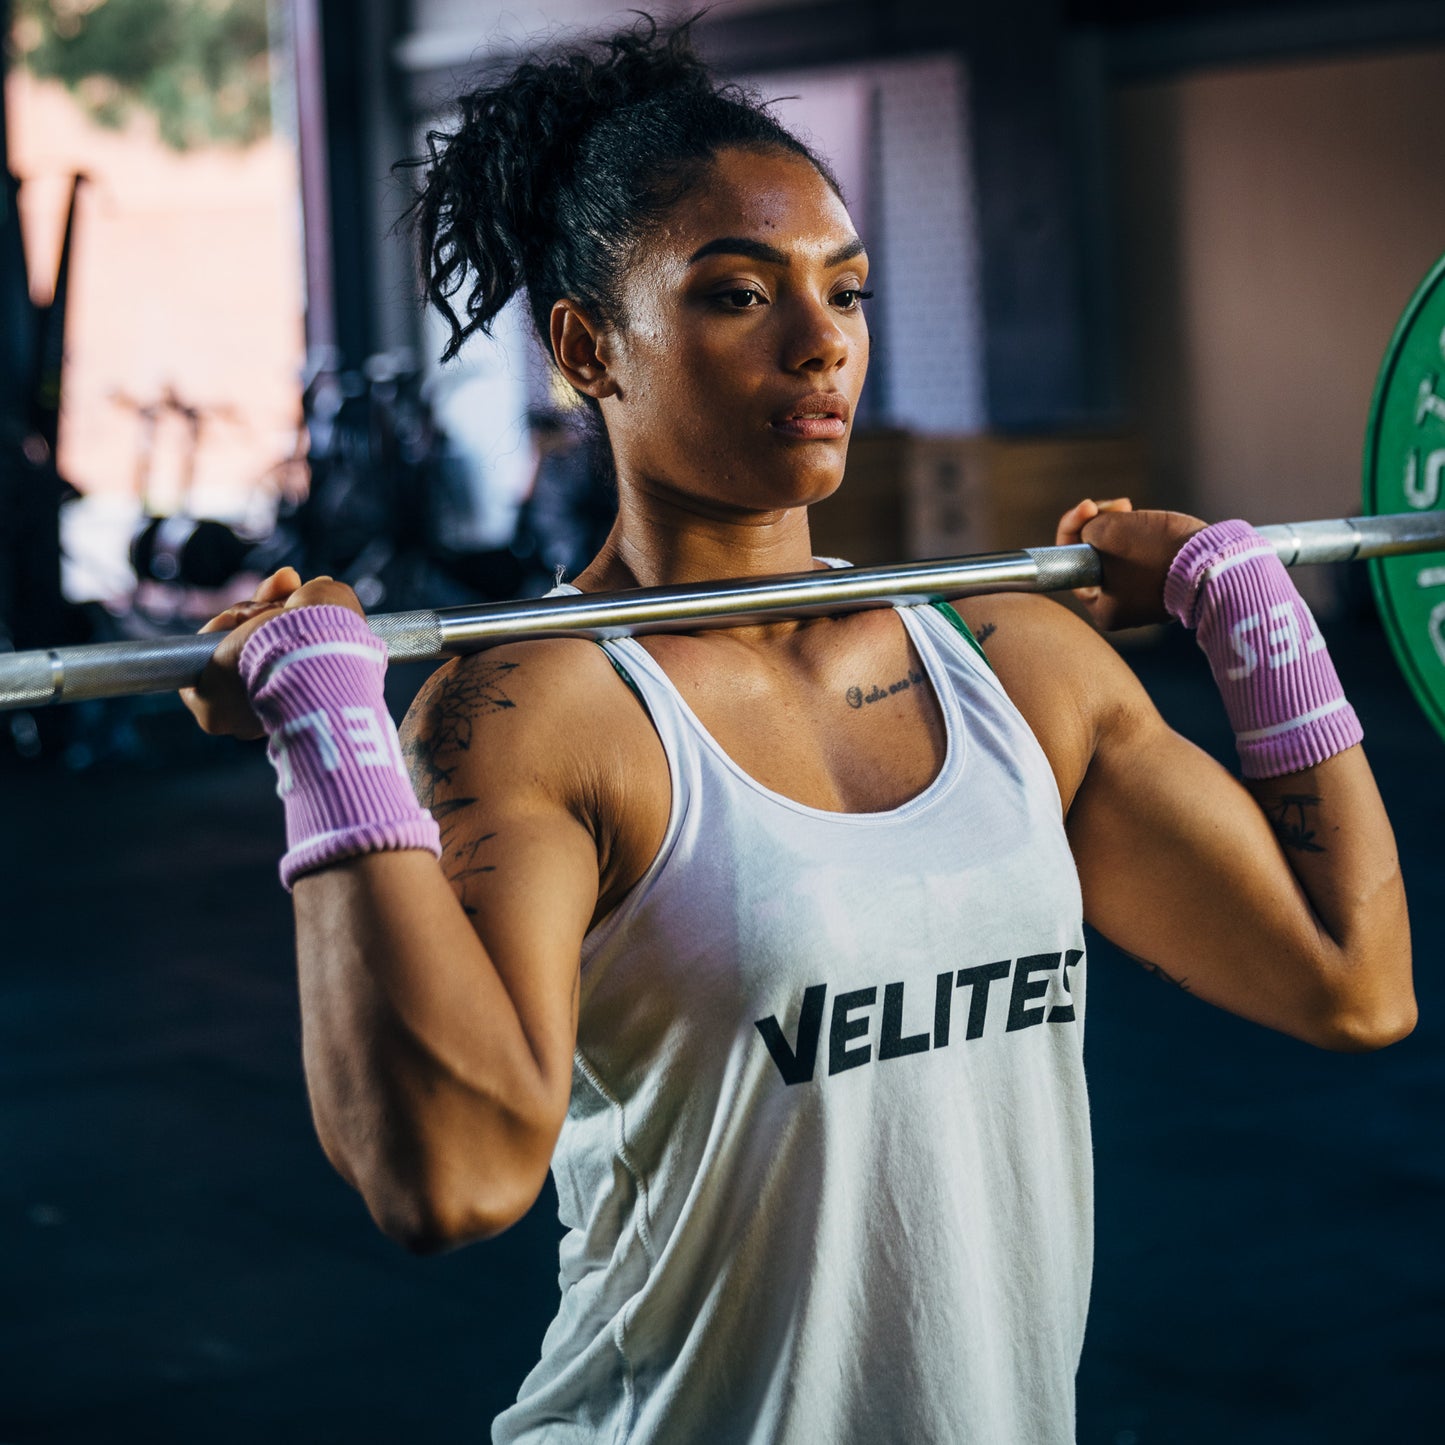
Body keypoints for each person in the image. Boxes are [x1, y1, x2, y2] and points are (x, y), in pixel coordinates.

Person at [182, 17, 1415, 1443]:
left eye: (847, 288)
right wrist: (325, 747)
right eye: (734, 294)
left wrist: (1254, 622)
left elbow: (1350, 978)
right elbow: (449, 1175)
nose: (821, 339)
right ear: (589, 346)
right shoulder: (539, 709)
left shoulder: (1014, 659)